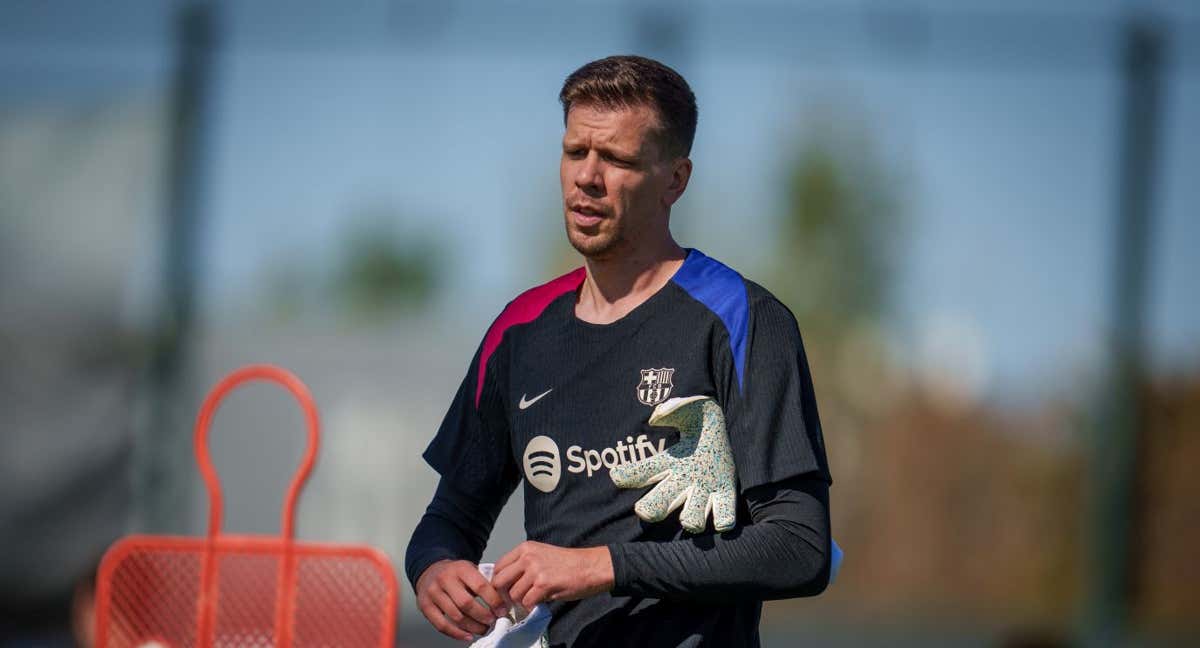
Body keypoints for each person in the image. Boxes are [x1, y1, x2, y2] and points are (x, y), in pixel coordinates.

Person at [405, 55, 833, 647]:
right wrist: (434, 569)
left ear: (675, 180)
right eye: (575, 151)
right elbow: (450, 517)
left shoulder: (742, 318)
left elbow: (799, 546)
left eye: (619, 160)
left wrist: (599, 566)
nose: (587, 176)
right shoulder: (519, 330)